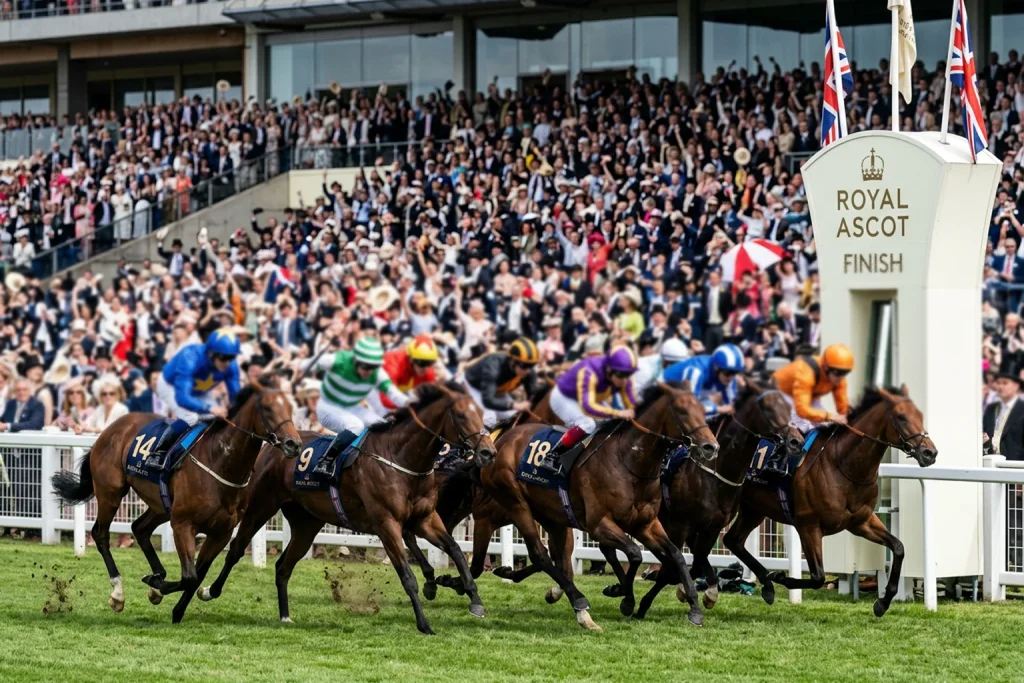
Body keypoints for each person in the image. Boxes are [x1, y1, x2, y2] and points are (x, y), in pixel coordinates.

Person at [309, 336, 410, 476]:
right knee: (356, 426)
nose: (369, 371)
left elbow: (393, 393)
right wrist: (302, 367)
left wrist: (412, 404)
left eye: (373, 367)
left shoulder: (378, 374)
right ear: (355, 360)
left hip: (351, 407)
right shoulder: (337, 360)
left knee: (382, 424)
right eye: (365, 366)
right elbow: (309, 365)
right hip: (328, 407)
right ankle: (325, 461)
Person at [149, 328, 243, 466]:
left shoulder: (231, 366)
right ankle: (158, 452)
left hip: (199, 390)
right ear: (211, 353)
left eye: (231, 357)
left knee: (217, 418)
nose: (227, 363)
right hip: (171, 386)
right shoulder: (190, 357)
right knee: (191, 417)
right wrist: (210, 408)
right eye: (223, 358)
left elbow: (237, 397)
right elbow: (182, 398)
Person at [548, 345, 639, 457]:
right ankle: (553, 454)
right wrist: (618, 413)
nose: (625, 381)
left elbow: (631, 403)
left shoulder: (621, 376)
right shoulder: (589, 372)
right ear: (609, 369)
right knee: (587, 424)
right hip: (564, 397)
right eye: (621, 375)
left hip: (588, 396)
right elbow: (588, 407)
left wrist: (632, 410)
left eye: (628, 374)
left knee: (608, 420)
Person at [459, 337, 539, 428]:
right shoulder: (493, 367)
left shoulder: (528, 372)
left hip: (496, 390)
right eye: (525, 365)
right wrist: (515, 405)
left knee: (512, 416)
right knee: (489, 419)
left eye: (531, 365)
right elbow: (488, 400)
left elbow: (533, 394)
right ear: (512, 361)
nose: (528, 371)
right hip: (474, 387)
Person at [773, 343, 854, 433]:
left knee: (825, 425)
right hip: (781, 392)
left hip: (807, 395)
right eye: (837, 372)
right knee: (803, 426)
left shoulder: (839, 377)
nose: (841, 378)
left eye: (845, 373)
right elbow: (802, 410)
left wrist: (849, 417)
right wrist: (830, 416)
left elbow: (843, 408)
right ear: (826, 367)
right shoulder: (806, 372)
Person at [661, 343, 745, 417]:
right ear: (716, 368)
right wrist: (719, 409)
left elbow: (731, 407)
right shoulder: (696, 372)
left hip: (697, 397)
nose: (731, 377)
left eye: (735, 373)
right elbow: (690, 408)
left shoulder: (729, 376)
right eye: (728, 373)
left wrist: (725, 409)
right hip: (666, 392)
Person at [374, 334, 438, 413]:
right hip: (377, 392)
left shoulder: (428, 370)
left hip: (401, 394)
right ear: (410, 358)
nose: (426, 368)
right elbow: (386, 398)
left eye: (430, 363)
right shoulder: (393, 363)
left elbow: (432, 400)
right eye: (421, 363)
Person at [984, 366, 1024, 460]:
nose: (1000, 386)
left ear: (1016, 386)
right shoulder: (991, 408)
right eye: (998, 383)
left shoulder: (1022, 409)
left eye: (1005, 383)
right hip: (989, 461)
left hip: (1015, 464)